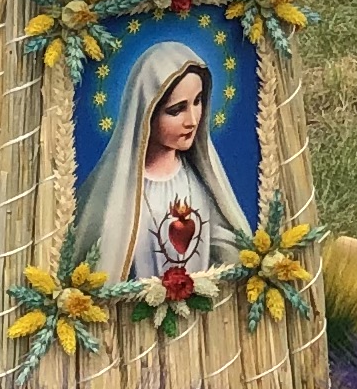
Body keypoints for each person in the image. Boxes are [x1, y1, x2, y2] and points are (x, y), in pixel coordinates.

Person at [61, 36, 254, 287]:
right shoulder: (114, 193)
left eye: (198, 102)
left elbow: (229, 248)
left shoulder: (200, 182)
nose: (192, 120)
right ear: (147, 113)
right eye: (176, 110)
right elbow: (100, 266)